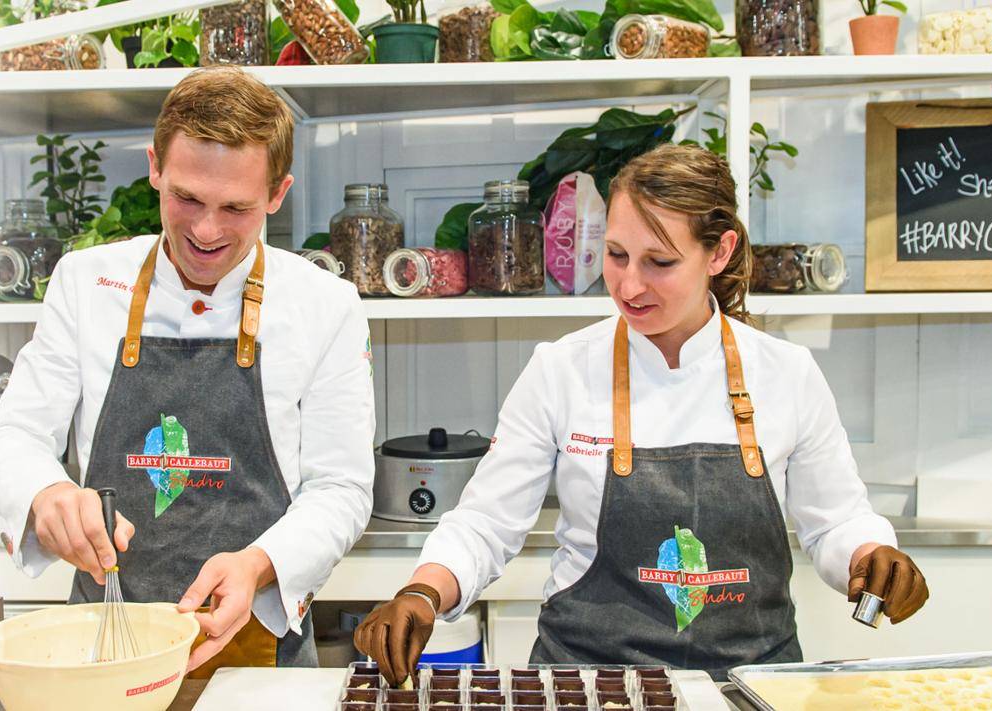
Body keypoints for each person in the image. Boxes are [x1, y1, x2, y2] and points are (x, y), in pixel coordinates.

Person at [354, 144, 931, 682]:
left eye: (659, 261)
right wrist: (424, 592)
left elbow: (833, 522)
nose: (629, 284)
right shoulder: (562, 370)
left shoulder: (786, 373)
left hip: (748, 682)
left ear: (719, 252)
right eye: (616, 254)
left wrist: (870, 556)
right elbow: (486, 523)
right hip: (587, 681)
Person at [0, 66, 375, 674]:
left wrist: (258, 565)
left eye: (236, 208)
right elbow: (14, 436)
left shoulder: (325, 304)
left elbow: (342, 489)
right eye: (186, 198)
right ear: (155, 167)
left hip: (255, 648)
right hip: (105, 641)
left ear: (277, 194)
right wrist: (46, 493)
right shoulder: (86, 283)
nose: (207, 230)